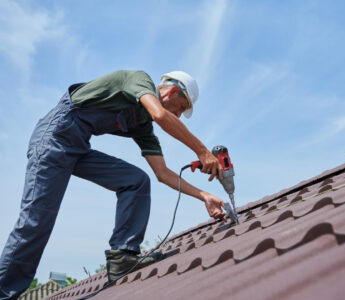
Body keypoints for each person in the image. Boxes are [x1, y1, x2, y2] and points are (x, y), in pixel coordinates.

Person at [0, 70, 225, 299]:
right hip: (53, 138)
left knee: (136, 181)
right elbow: (159, 114)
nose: (178, 115)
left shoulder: (142, 124)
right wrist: (202, 150)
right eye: (180, 107)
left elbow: (162, 173)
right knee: (36, 222)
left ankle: (122, 257)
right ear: (173, 91)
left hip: (77, 147)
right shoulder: (139, 80)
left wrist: (204, 195)